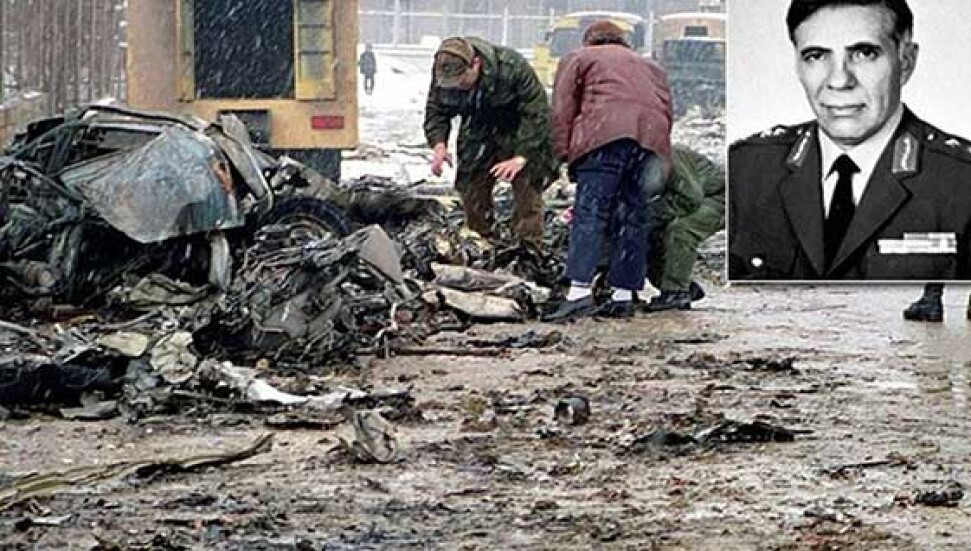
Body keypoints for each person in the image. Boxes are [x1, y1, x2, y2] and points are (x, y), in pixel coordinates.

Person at [729, 0, 971, 281]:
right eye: (816, 56)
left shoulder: (962, 181)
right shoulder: (746, 171)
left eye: (864, 53)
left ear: (906, 61)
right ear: (797, 64)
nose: (839, 80)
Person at [543, 20, 673, 320]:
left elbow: (562, 108)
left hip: (603, 137)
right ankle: (623, 295)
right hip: (648, 142)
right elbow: (666, 110)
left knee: (590, 213)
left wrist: (561, 153)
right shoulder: (651, 66)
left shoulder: (579, 58)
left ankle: (579, 292)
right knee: (633, 216)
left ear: (590, 40)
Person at [423, 37, 557, 252]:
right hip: (477, 128)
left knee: (528, 192)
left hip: (519, 127)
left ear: (475, 64)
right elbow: (436, 109)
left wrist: (521, 157)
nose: (457, 85)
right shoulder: (444, 72)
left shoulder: (512, 67)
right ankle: (481, 243)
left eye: (462, 79)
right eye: (452, 82)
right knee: (471, 188)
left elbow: (536, 113)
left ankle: (529, 249)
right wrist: (439, 145)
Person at [644, 146, 725, 311]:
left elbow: (690, 198)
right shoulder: (643, 158)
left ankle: (676, 292)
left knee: (681, 229)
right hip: (694, 196)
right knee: (653, 234)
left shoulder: (669, 156)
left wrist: (652, 212)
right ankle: (681, 286)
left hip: (720, 197)